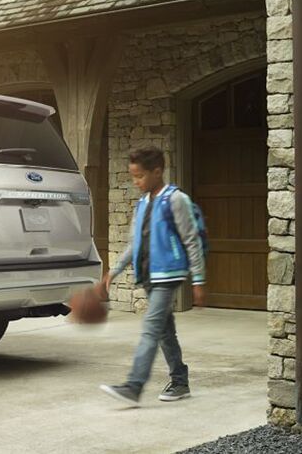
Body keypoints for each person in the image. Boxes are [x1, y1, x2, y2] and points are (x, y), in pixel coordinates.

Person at [97, 146, 206, 407]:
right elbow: (134, 244)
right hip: (148, 275)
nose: (135, 182)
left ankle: (134, 386)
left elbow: (191, 240)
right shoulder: (142, 203)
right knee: (164, 332)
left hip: (168, 274)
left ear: (157, 172)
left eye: (140, 176)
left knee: (150, 329)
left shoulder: (175, 199)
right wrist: (114, 271)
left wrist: (199, 280)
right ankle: (180, 381)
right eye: (133, 177)